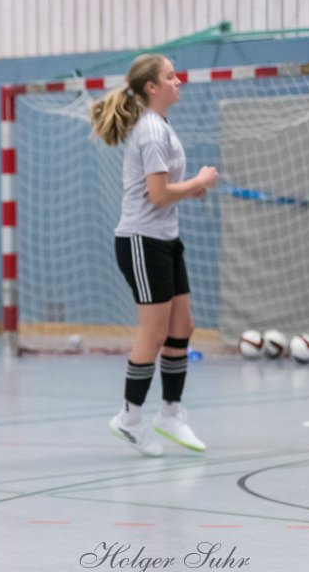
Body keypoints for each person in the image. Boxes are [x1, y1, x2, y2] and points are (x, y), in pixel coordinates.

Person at [91, 53, 218, 457]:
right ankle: (129, 419)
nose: (178, 80)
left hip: (165, 238)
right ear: (152, 87)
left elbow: (164, 192)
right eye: (170, 76)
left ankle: (171, 414)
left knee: (183, 325)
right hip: (142, 241)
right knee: (154, 331)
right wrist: (198, 180)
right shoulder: (149, 130)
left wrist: (191, 188)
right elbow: (158, 194)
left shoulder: (162, 126)